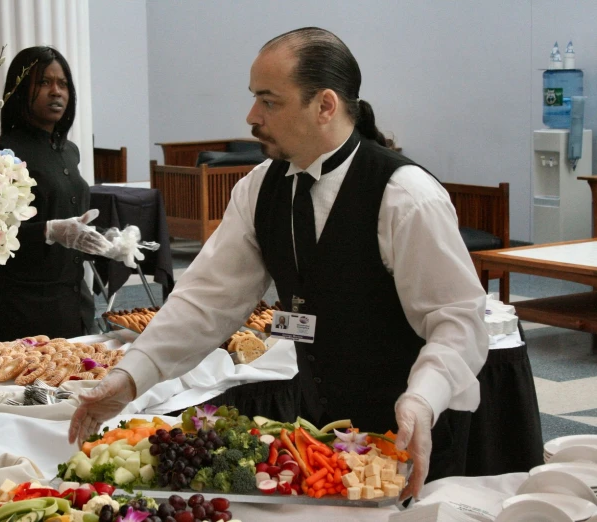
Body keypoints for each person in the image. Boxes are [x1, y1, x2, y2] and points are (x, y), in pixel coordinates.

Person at [68, 28, 488, 500]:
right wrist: (130, 377)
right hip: (317, 438)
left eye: (269, 101)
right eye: (254, 99)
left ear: (325, 105)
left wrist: (423, 398)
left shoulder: (405, 196)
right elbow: (206, 300)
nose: (251, 116)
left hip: (412, 440)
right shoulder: (258, 188)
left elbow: (458, 321)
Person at [0, 46, 114, 344]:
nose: (56, 92)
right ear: (21, 90)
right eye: (44, 83)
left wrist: (106, 241)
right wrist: (48, 231)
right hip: (16, 308)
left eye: (63, 84)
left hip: (69, 304)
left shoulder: (69, 151)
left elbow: (72, 222)